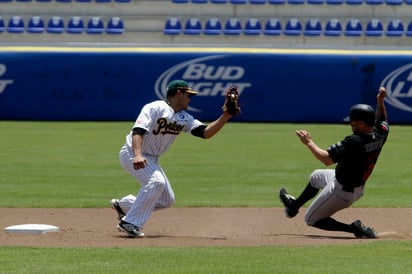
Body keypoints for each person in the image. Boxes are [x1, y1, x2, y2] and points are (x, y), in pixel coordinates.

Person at [111, 79, 236, 238]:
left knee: (166, 200)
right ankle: (130, 223)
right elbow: (138, 131)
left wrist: (226, 115)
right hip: (132, 153)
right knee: (156, 181)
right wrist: (137, 155)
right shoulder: (154, 108)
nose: (190, 99)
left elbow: (206, 133)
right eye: (188, 95)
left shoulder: (184, 117)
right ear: (179, 93)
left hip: (151, 159)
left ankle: (124, 206)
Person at [279, 87, 389, 238]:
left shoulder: (355, 141)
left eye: (354, 123)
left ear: (363, 124)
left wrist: (309, 143)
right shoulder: (380, 133)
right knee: (316, 176)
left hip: (342, 192)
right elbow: (382, 119)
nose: (351, 125)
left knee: (311, 219)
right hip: (352, 184)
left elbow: (326, 159)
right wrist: (380, 101)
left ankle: (355, 229)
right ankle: (293, 207)